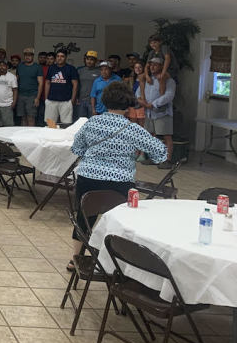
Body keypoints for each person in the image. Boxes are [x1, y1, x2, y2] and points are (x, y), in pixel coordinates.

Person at [69, 82, 167, 269]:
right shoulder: (133, 129)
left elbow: (77, 147)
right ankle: (117, 263)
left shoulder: (92, 122)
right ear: (128, 103)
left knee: (84, 219)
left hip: (88, 178)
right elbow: (160, 153)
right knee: (120, 221)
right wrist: (138, 154)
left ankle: (75, 259)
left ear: (105, 101)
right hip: (120, 183)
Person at [142, 56, 176, 169]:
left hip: (162, 112)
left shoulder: (169, 80)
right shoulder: (149, 80)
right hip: (149, 113)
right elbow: (139, 92)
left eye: (155, 65)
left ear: (162, 66)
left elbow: (169, 96)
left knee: (166, 136)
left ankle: (167, 159)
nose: (152, 67)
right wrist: (141, 101)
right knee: (152, 136)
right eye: (151, 65)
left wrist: (154, 103)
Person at [44, 49, 79, 125]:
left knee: (66, 124)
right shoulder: (51, 68)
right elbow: (47, 83)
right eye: (58, 56)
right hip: (51, 100)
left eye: (62, 56)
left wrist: (72, 100)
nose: (59, 58)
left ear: (66, 57)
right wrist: (46, 99)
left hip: (66, 101)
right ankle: (51, 137)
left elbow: (75, 85)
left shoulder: (71, 69)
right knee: (50, 124)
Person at [16, 48, 43, 127]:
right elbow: (16, 80)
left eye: (30, 55)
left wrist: (37, 98)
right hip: (21, 96)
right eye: (26, 55)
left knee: (31, 118)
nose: (27, 57)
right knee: (23, 118)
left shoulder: (37, 67)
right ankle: (23, 137)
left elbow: (41, 83)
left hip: (32, 96)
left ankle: (30, 138)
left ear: (33, 56)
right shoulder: (20, 66)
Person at [0, 60, 18, 127]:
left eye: (4, 65)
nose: (1, 67)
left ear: (7, 67)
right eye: (0, 65)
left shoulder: (12, 77)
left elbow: (15, 90)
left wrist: (14, 102)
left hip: (7, 105)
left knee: (7, 126)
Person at [76, 51, 100, 119]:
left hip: (93, 102)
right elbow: (77, 85)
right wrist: (76, 97)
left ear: (95, 61)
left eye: (92, 59)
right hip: (81, 100)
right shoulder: (80, 70)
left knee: (92, 121)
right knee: (80, 122)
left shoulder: (99, 71)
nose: (89, 61)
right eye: (87, 59)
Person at [125, 61, 147, 127]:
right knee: (133, 126)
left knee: (142, 126)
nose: (138, 69)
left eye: (140, 67)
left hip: (141, 104)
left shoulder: (146, 78)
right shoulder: (132, 79)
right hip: (132, 104)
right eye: (136, 67)